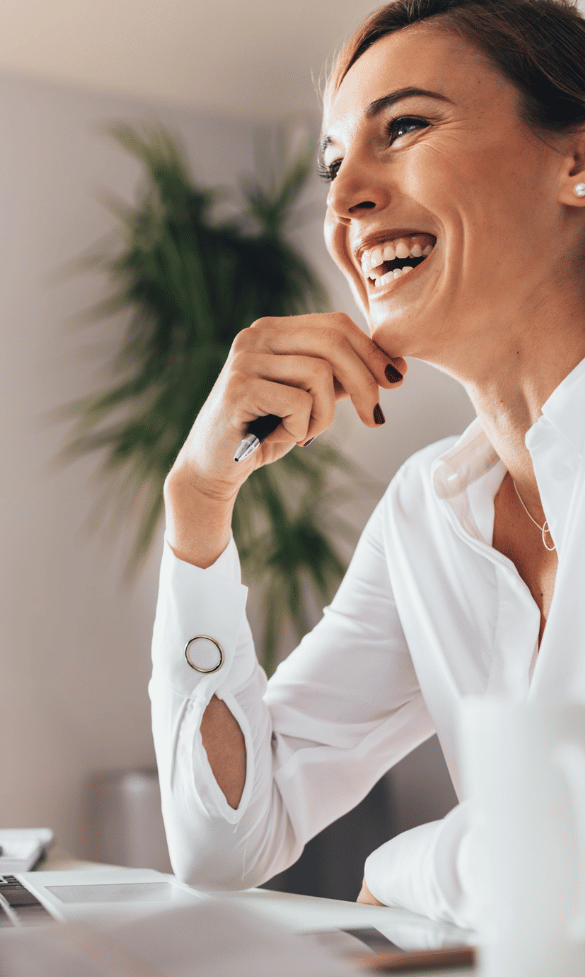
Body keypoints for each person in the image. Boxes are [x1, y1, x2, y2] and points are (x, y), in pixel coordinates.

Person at [150, 0, 585, 929]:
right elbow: (225, 840)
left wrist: (402, 869)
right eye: (335, 164)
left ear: (577, 163)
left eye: (408, 126)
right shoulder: (431, 513)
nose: (345, 199)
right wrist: (197, 502)